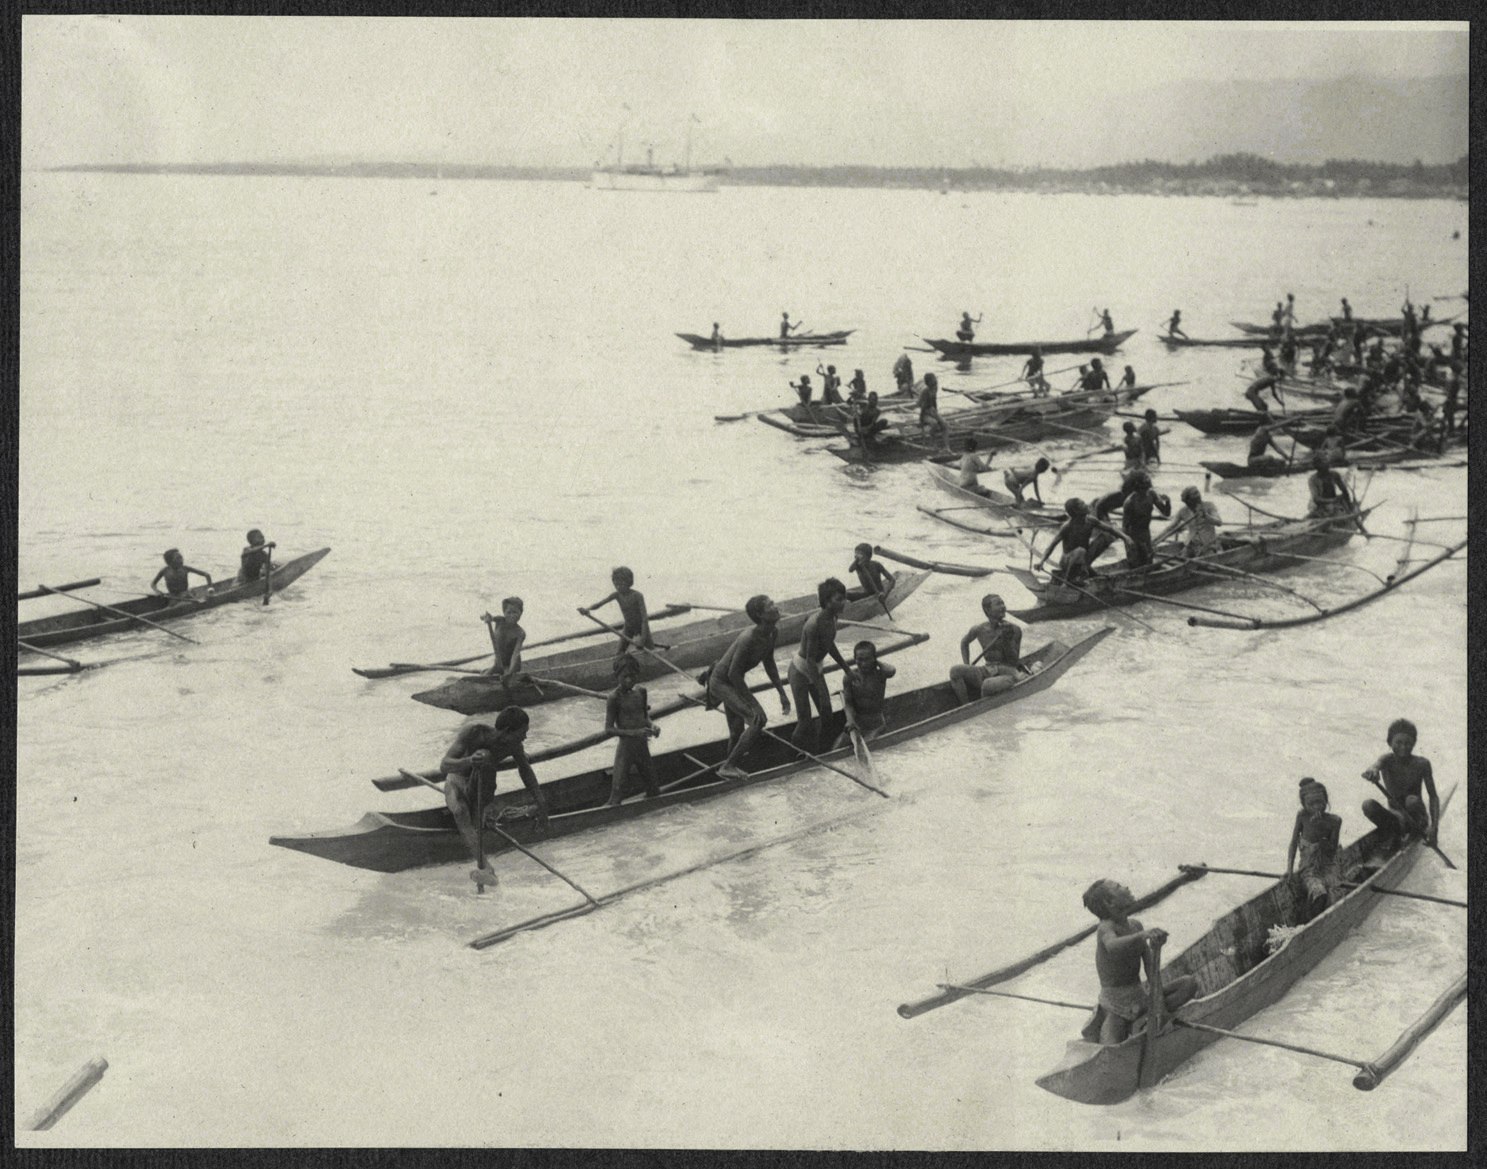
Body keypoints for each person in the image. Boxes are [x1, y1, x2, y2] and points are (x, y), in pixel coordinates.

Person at [1078, 879, 1199, 1045]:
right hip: (1115, 1005)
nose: (1126, 887)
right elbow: (1112, 945)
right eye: (1119, 887)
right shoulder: (1105, 928)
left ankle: (1142, 1021)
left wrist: (1160, 1008)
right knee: (1110, 1046)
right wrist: (1142, 936)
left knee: (1188, 983)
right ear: (1110, 902)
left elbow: (1151, 971)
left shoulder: (1135, 925)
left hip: (1140, 996)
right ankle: (1137, 1025)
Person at [441, 705, 551, 885]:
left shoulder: (514, 745)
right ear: (507, 732)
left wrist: (542, 805)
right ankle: (485, 866)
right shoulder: (474, 732)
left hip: (480, 791)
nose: (525, 737)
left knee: (486, 761)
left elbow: (526, 771)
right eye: (523, 732)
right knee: (460, 811)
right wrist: (469, 761)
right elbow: (445, 765)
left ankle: (482, 816)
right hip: (457, 781)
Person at [703, 595, 790, 780]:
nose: (776, 607)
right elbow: (734, 674)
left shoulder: (772, 632)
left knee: (736, 730)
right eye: (770, 605)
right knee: (758, 719)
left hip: (731, 682)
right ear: (760, 614)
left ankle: (727, 769)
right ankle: (729, 765)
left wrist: (782, 692)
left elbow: (770, 663)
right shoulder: (748, 638)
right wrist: (755, 705)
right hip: (721, 682)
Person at [788, 578, 851, 751]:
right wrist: (820, 689)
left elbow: (829, 644)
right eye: (839, 599)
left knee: (826, 712)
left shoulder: (833, 617)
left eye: (844, 597)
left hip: (815, 667)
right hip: (801, 670)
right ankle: (794, 754)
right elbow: (809, 659)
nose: (844, 602)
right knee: (805, 721)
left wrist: (847, 669)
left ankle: (823, 749)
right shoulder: (814, 624)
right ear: (827, 602)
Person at [1360, 718, 1441, 848]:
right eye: (1398, 742)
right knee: (1367, 805)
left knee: (1411, 800)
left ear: (1414, 743)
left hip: (1417, 818)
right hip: (1397, 818)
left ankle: (1410, 833)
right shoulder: (1386, 759)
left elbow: (1433, 796)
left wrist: (1434, 828)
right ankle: (1395, 832)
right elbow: (1374, 766)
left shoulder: (1423, 764)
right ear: (1389, 742)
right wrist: (1372, 773)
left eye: (1408, 743)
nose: (1403, 747)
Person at [604, 655, 660, 806]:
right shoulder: (614, 698)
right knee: (616, 795)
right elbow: (608, 729)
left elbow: (644, 716)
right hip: (626, 748)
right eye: (625, 676)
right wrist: (634, 733)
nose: (629, 680)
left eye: (632, 676)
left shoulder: (641, 692)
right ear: (617, 676)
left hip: (642, 746)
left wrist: (653, 726)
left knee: (654, 789)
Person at [1036, 498, 1132, 585]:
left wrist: (1125, 537)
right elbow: (1051, 546)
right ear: (1076, 511)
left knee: (1107, 536)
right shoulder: (1067, 527)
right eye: (1082, 504)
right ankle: (1070, 579)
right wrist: (1041, 562)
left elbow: (1110, 529)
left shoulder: (1090, 520)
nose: (1086, 505)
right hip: (1069, 560)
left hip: (1083, 558)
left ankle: (1084, 569)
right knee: (1080, 551)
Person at [1286, 777, 1342, 923]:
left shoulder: (1335, 821)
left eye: (1320, 802)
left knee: (1333, 897)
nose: (1317, 807)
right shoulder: (1302, 816)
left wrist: (1322, 830)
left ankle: (1316, 921)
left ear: (1326, 800)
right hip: (1308, 869)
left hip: (1329, 868)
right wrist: (1289, 871)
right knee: (1319, 893)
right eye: (1311, 804)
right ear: (1304, 805)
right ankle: (1308, 922)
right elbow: (1293, 844)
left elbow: (1332, 850)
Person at [949, 593, 1024, 703]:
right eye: (998, 604)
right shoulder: (979, 629)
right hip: (986, 670)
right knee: (955, 671)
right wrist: (967, 664)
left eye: (1003, 603)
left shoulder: (1014, 629)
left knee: (986, 685)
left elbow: (1014, 661)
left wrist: (1006, 640)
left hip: (1008, 673)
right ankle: (966, 707)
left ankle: (981, 707)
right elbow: (964, 642)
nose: (1003, 606)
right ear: (987, 610)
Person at [580, 566, 654, 660]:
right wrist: (587, 609)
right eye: (616, 585)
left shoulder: (637, 596)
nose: (618, 587)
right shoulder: (616, 595)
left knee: (651, 651)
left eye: (621, 584)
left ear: (628, 582)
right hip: (628, 627)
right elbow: (600, 604)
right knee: (619, 652)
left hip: (642, 627)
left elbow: (644, 619)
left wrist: (642, 640)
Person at [835, 640, 896, 747]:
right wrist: (850, 721)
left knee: (868, 746)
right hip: (857, 724)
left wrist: (876, 662)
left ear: (874, 658)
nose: (863, 664)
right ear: (855, 659)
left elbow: (891, 670)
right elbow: (848, 704)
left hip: (876, 725)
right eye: (860, 660)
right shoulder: (849, 677)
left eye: (867, 659)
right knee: (836, 747)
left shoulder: (879, 674)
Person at [1118, 471, 1172, 567]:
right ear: (1136, 489)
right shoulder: (1130, 502)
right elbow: (1125, 526)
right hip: (1133, 535)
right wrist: (1129, 544)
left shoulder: (1151, 494)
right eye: (1142, 489)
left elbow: (1166, 513)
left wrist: (1167, 502)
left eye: (1146, 488)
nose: (1144, 491)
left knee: (1148, 561)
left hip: (1145, 533)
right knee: (1135, 564)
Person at [1154, 485, 1223, 558]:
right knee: (1181, 560)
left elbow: (1219, 522)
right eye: (1189, 504)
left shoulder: (1209, 506)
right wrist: (1155, 541)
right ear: (1188, 501)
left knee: (1208, 566)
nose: (1192, 506)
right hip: (1190, 545)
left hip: (1208, 545)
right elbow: (1170, 528)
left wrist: (1207, 517)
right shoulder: (1183, 511)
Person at [480, 596, 528, 683]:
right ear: (504, 613)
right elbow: (485, 617)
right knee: (483, 677)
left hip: (512, 666)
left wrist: (510, 673)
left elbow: (515, 655)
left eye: (515, 612)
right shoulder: (500, 621)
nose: (512, 616)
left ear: (521, 613)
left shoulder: (520, 633)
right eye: (508, 612)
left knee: (503, 679)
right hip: (498, 663)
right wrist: (486, 618)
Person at [1306, 452, 1354, 518]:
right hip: (1321, 507)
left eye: (1327, 461)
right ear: (1318, 466)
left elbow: (1344, 491)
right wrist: (1333, 500)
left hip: (1335, 506)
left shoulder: (1334, 475)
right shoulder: (1313, 479)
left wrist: (1349, 505)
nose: (1328, 463)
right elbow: (1316, 499)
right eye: (1324, 462)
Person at [918, 372, 946, 443]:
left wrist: (936, 413)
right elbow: (922, 407)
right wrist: (921, 420)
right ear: (929, 383)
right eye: (934, 382)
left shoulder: (935, 389)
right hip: (925, 413)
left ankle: (947, 447)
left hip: (932, 411)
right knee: (934, 424)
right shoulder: (925, 392)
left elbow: (934, 402)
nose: (936, 384)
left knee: (945, 424)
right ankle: (932, 439)